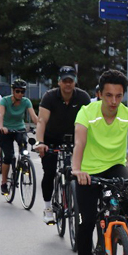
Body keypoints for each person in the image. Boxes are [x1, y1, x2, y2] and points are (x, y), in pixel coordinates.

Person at [71, 69, 128, 255]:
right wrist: (77, 170)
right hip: (88, 172)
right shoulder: (86, 112)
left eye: (119, 96)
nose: (114, 101)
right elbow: (79, 144)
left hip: (114, 167)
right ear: (100, 94)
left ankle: (123, 228)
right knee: (86, 223)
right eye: (109, 95)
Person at [35, 66, 92, 224]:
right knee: (49, 173)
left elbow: (90, 122)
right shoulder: (49, 97)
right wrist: (40, 142)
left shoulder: (83, 97)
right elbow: (41, 121)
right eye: (65, 81)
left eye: (70, 81)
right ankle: (48, 208)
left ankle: (78, 204)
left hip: (75, 140)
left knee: (79, 172)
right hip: (51, 140)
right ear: (59, 82)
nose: (68, 84)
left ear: (75, 82)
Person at [0, 79, 39, 196]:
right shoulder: (5, 101)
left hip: (19, 129)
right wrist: (1, 127)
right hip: (6, 130)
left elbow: (34, 117)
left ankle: (24, 162)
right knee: (8, 157)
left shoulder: (26, 102)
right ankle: (4, 183)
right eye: (18, 91)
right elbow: (0, 115)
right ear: (13, 91)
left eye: (22, 91)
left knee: (24, 147)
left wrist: (41, 127)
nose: (20, 94)